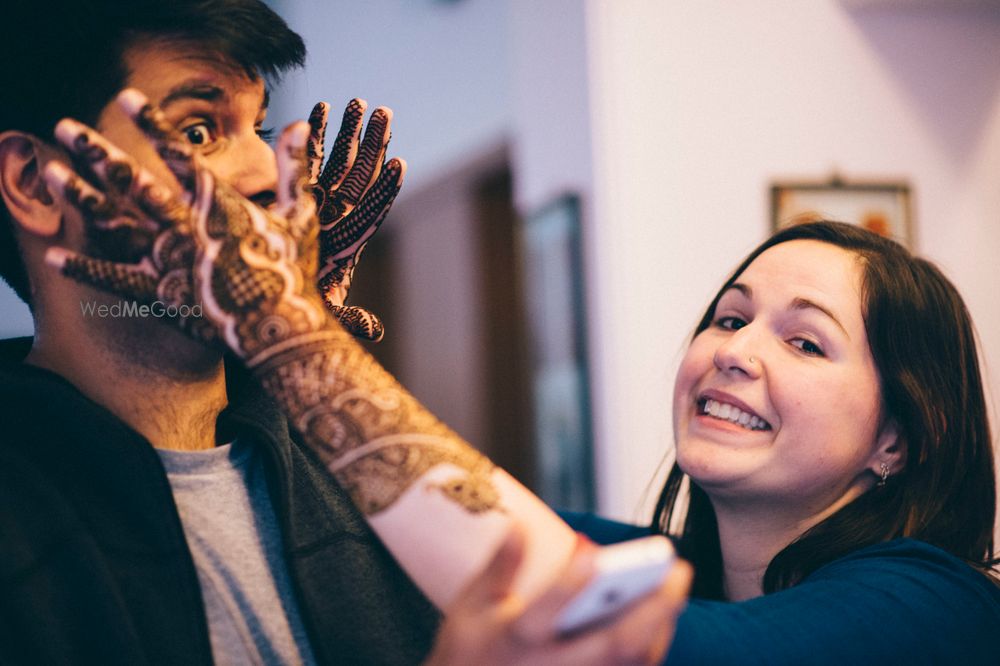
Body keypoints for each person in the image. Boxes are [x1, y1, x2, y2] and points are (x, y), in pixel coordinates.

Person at [0, 1, 689, 664]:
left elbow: (565, 597)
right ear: (37, 183)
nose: (268, 175)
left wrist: (295, 339)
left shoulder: (324, 450)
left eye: (261, 132)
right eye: (198, 132)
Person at [565, 220, 1000, 663]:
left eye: (806, 344)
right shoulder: (673, 567)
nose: (731, 351)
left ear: (896, 440)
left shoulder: (936, 604)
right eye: (731, 320)